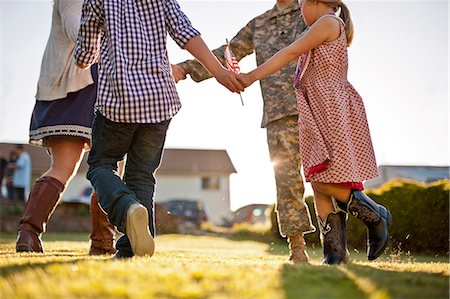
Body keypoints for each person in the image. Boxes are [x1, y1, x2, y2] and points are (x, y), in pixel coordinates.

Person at [74, 0, 244, 258]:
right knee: (141, 175)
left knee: (101, 164)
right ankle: (133, 251)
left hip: (119, 101)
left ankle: (126, 207)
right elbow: (187, 34)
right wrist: (219, 72)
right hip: (159, 100)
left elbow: (85, 57)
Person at [237, 0, 392, 263]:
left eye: (302, 7)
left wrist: (251, 77)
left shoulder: (328, 23)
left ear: (314, 1)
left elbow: (288, 53)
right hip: (315, 107)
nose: (300, 11)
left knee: (321, 179)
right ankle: (334, 254)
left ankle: (375, 215)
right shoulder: (322, 23)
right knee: (317, 179)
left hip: (329, 108)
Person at [172, 0, 316, 263]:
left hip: (317, 107)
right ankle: (297, 247)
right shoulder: (259, 24)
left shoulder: (311, 12)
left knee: (326, 178)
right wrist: (185, 68)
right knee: (287, 182)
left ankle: (336, 243)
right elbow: (228, 53)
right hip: (278, 113)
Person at [15, 0, 115, 255]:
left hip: (76, 89)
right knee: (105, 167)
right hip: (79, 88)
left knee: (86, 168)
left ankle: (29, 234)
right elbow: (75, 25)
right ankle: (101, 243)